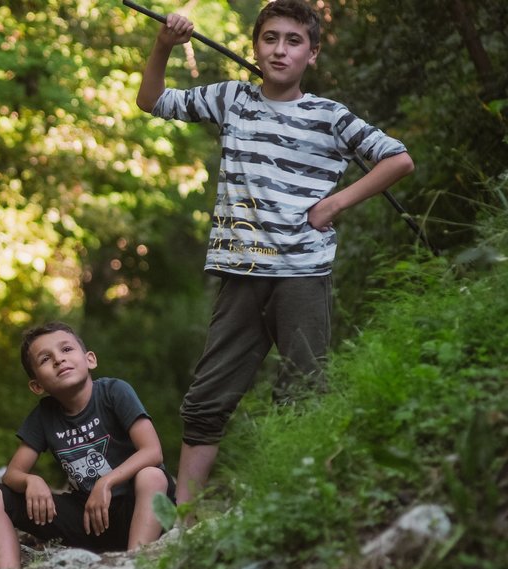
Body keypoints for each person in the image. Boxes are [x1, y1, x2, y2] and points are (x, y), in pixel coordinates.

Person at [135, 0, 414, 512]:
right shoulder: (231, 99)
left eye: (292, 41)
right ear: (255, 47)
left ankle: (295, 505)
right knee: (206, 399)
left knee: (304, 391)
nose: (279, 50)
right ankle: (184, 521)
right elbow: (151, 101)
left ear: (312, 53)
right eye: (270, 39)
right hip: (239, 273)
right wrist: (162, 46)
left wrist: (335, 202)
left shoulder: (330, 116)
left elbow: (398, 158)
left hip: (302, 276)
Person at [0, 322, 175, 569]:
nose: (59, 360)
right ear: (37, 386)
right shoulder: (44, 415)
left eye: (66, 349)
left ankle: (135, 564)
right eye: (45, 359)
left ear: (90, 359)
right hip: (90, 521)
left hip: (138, 510)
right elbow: (12, 475)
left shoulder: (114, 392)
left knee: (152, 476)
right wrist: (32, 481)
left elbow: (152, 451)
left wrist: (106, 482)